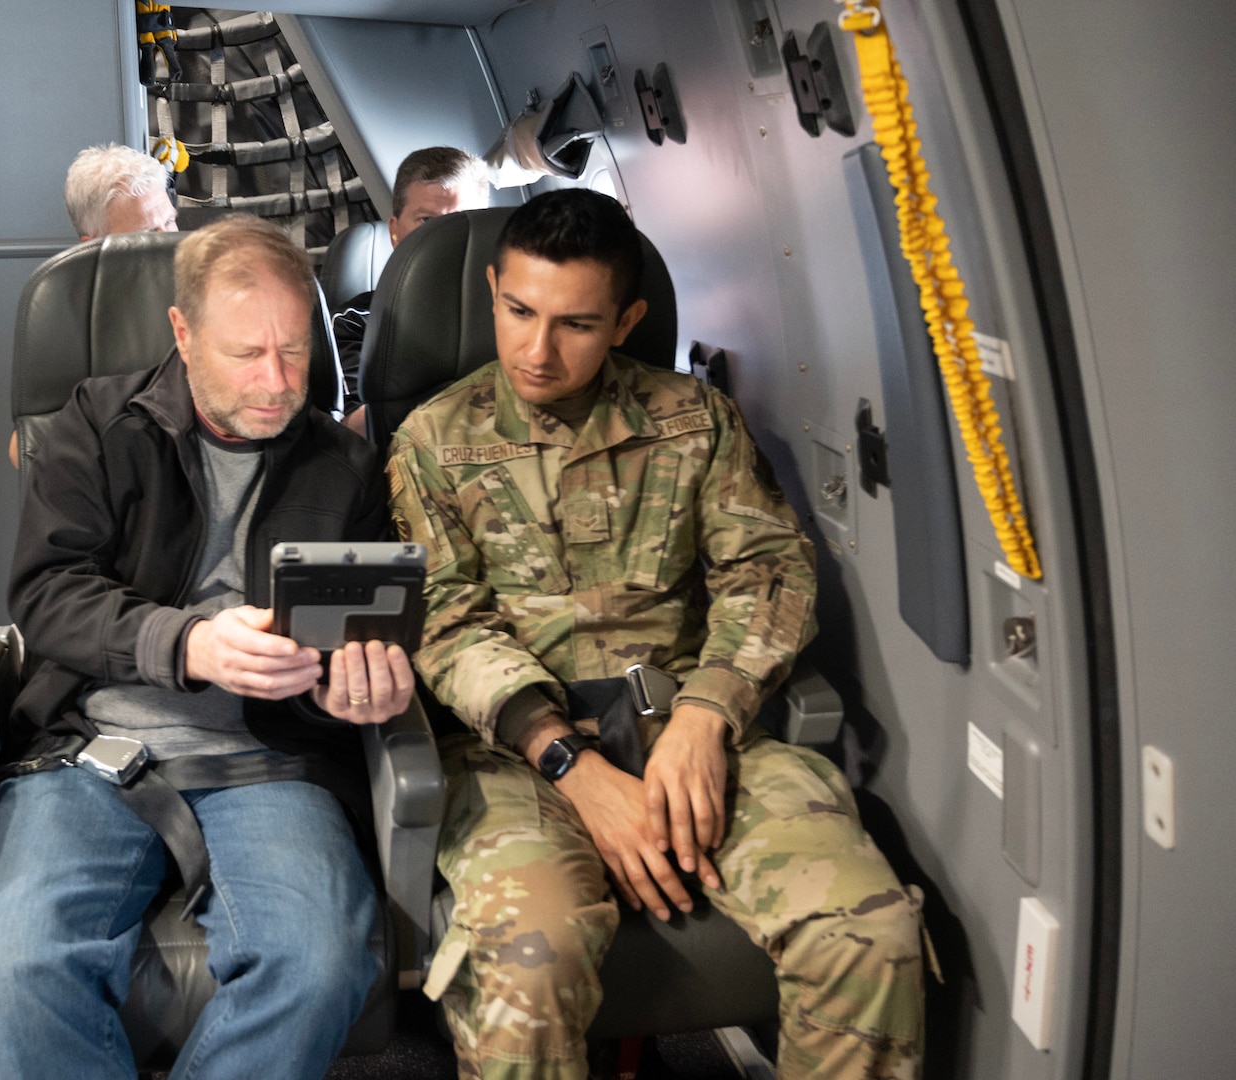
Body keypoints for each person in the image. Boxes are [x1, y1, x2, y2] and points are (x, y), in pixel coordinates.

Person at [0, 215, 412, 1080]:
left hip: (271, 758)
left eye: (293, 352)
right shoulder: (95, 425)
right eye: (247, 354)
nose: (278, 383)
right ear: (181, 332)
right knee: (12, 966)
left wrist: (359, 689)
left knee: (317, 966)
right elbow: (46, 596)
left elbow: (352, 644)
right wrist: (189, 643)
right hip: (93, 749)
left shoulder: (341, 468)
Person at [386, 189, 926, 1080]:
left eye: (576, 324)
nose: (535, 349)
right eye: (518, 311)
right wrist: (572, 764)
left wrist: (706, 718)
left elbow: (768, 574)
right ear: (491, 288)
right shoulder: (433, 442)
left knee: (870, 933)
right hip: (520, 755)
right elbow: (444, 621)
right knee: (532, 957)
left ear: (628, 319)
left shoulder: (694, 422)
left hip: (693, 726)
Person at [7, 143, 181, 469]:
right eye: (147, 234)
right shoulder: (66, 312)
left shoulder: (210, 292)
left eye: (170, 222)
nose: (169, 242)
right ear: (94, 244)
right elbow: (24, 448)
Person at [332, 146, 489, 431]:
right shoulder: (356, 322)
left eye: (459, 221)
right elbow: (354, 427)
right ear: (395, 231)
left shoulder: (519, 313)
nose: (442, 237)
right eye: (427, 221)